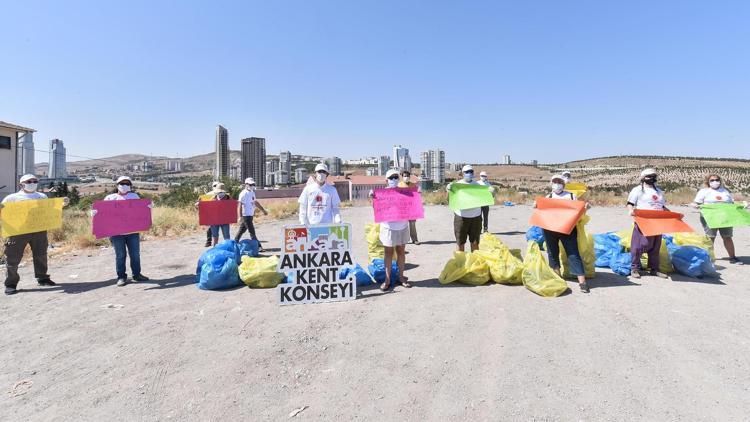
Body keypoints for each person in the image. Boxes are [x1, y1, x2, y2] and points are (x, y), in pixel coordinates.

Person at [1, 174, 68, 295]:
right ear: (21, 184)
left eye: (34, 181)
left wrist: (61, 205)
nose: (32, 183)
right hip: (18, 232)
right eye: (29, 181)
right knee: (12, 258)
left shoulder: (42, 196)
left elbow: (50, 210)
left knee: (41, 255)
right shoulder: (12, 198)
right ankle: (11, 284)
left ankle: (43, 278)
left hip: (39, 230)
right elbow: (3, 212)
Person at [534, 175, 590, 293]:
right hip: (550, 229)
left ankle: (582, 282)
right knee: (552, 253)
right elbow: (541, 211)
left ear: (563, 184)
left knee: (573, 253)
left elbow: (579, 210)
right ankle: (558, 279)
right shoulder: (548, 197)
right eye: (555, 182)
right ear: (551, 183)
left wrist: (585, 207)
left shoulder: (570, 196)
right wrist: (536, 205)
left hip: (567, 229)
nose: (557, 184)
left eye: (559, 182)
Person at [103, 176, 150, 286]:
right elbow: (104, 213)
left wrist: (147, 208)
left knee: (135, 255)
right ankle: (121, 277)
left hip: (132, 232)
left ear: (130, 186)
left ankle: (137, 275)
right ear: (117, 185)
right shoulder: (110, 198)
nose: (124, 186)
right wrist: (96, 213)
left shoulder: (134, 196)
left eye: (127, 184)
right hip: (116, 233)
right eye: (122, 183)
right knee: (120, 255)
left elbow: (139, 211)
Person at [370, 169, 411, 291]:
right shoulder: (382, 193)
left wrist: (417, 194)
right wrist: (373, 198)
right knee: (388, 253)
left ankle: (401, 277)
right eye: (391, 178)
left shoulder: (405, 192)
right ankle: (387, 280)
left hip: (402, 226)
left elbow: (412, 205)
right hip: (388, 227)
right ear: (386, 180)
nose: (394, 180)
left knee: (401, 252)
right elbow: (376, 209)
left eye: (396, 177)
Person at [626, 168, 670, 279]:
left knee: (655, 246)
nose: (651, 178)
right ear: (643, 178)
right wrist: (631, 210)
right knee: (640, 244)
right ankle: (634, 268)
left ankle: (654, 269)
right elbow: (630, 203)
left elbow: (662, 206)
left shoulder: (659, 191)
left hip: (657, 221)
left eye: (653, 176)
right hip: (643, 220)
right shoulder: (637, 190)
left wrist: (671, 214)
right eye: (649, 176)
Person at [690, 174, 743, 265]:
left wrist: (741, 204)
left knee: (727, 237)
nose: (715, 181)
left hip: (724, 218)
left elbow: (731, 203)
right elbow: (697, 202)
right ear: (708, 182)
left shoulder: (725, 191)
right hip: (709, 217)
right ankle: (708, 258)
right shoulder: (704, 191)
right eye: (712, 180)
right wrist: (695, 205)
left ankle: (733, 257)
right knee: (710, 238)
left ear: (720, 181)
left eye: (717, 179)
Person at [447, 165, 488, 252]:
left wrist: (492, 193)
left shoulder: (477, 185)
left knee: (475, 243)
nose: (469, 173)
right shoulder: (457, 185)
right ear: (462, 173)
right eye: (467, 172)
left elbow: (485, 199)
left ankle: (474, 263)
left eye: (471, 171)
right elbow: (449, 200)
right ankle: (461, 262)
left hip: (476, 217)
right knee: (460, 242)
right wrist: (448, 190)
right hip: (461, 218)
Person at [235, 178, 268, 251]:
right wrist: (239, 216)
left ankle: (234, 243)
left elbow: (255, 202)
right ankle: (259, 247)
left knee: (241, 230)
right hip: (245, 215)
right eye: (250, 184)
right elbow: (239, 205)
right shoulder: (243, 193)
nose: (252, 186)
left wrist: (263, 210)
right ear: (246, 185)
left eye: (253, 184)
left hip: (250, 215)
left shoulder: (252, 192)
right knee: (252, 232)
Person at [398, 169, 420, 245]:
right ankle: (402, 240)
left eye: (407, 176)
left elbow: (416, 196)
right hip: (403, 208)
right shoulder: (399, 185)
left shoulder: (413, 185)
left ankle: (415, 239)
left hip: (412, 209)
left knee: (412, 224)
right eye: (404, 176)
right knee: (402, 225)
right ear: (402, 177)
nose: (406, 177)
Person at [204, 181, 220, 247]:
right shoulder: (208, 194)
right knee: (210, 228)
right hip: (211, 214)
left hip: (219, 214)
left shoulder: (222, 194)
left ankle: (211, 242)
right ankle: (209, 241)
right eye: (215, 185)